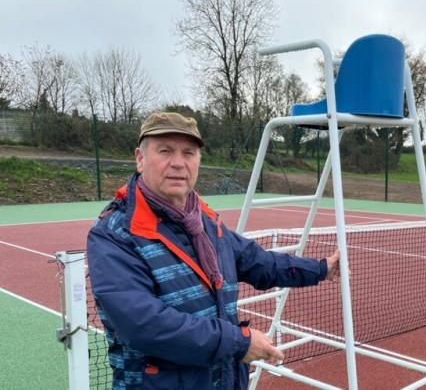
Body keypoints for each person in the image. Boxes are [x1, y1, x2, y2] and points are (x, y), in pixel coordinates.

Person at [87, 112, 340, 390]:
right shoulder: (114, 234)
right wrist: (239, 342)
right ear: (140, 158)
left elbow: (259, 262)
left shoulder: (206, 223)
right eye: (165, 151)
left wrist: (322, 269)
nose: (178, 163)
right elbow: (144, 324)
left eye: (189, 153)